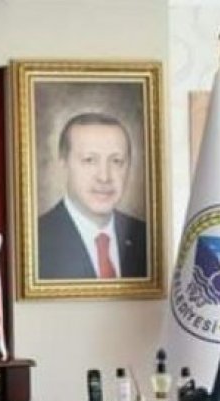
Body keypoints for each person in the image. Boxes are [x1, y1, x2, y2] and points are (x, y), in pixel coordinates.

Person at [37, 112, 148, 280]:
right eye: (89, 160)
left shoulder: (146, 238)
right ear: (63, 165)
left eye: (116, 161)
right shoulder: (36, 242)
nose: (104, 177)